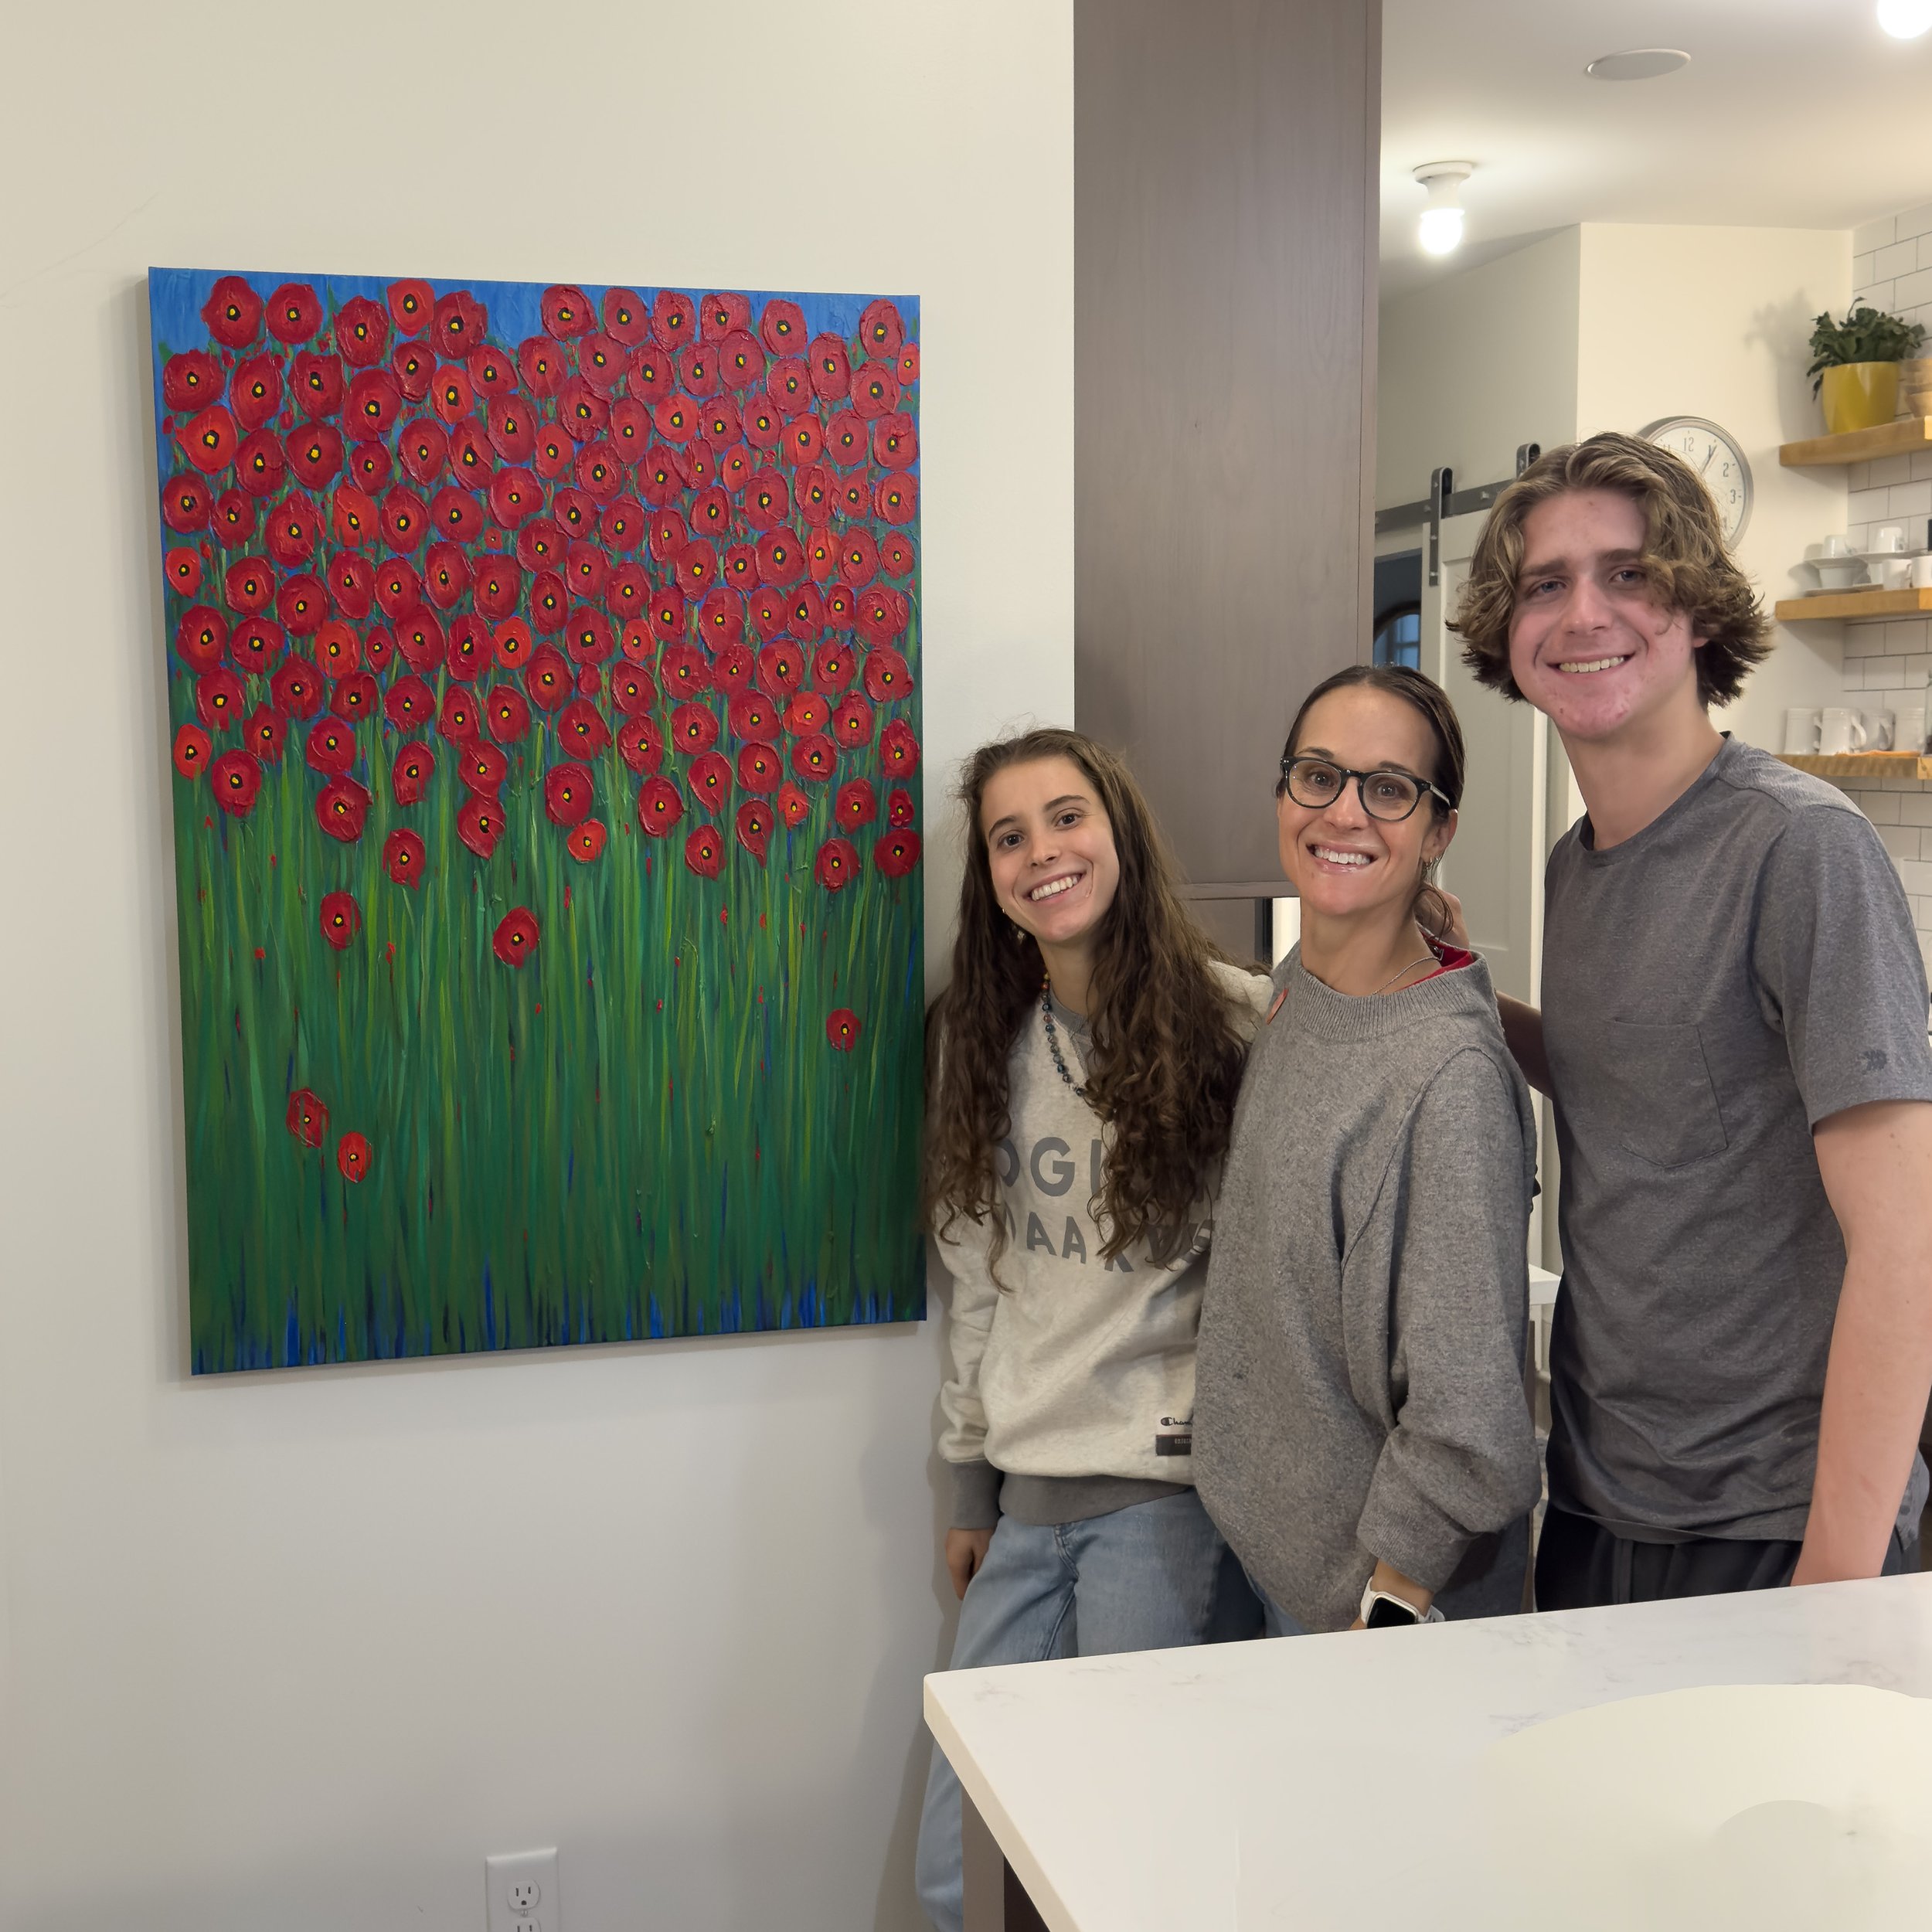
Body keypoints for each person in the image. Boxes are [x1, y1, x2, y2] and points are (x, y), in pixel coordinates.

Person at [1451, 430, 1932, 1608]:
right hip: (1603, 1498)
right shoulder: (1581, 865)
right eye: (1545, 585)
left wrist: (1836, 1582)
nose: (1583, 614)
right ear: (1506, 637)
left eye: (1628, 575)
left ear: (1700, 612)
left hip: (1775, 1527)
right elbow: (1641, 1076)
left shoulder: (1799, 847)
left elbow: (1907, 1242)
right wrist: (1451, 988)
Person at [913, 726, 1270, 1932]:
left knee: (1132, 1862)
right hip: (1025, 1502)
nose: (1041, 852)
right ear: (993, 882)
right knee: (960, 1871)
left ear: (1118, 830)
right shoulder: (979, 1039)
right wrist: (968, 1478)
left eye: (1066, 818)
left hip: (1169, 1507)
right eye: (1009, 836)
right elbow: (977, 1273)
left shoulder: (1238, 1022)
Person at [1194, 665, 1542, 1636]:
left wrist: (1385, 1612)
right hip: (1256, 1545)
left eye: (1387, 789)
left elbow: (1471, 1424)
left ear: (1437, 832)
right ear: (1282, 794)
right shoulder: (1301, 984)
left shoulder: (1450, 1079)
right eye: (1319, 775)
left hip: (1361, 1607)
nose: (1343, 812)